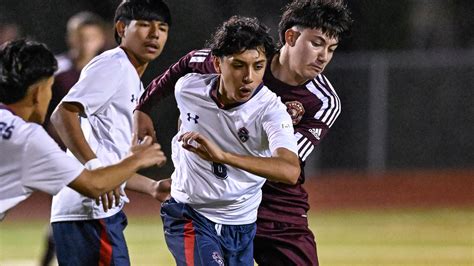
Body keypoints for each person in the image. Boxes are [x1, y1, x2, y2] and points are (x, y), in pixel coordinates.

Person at [134, 0, 352, 265]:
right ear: (291, 36)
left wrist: (208, 162)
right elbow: (186, 64)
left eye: (331, 49)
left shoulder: (323, 102)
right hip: (214, 202)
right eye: (317, 43)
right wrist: (143, 108)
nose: (324, 57)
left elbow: (285, 167)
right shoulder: (246, 57)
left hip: (276, 207)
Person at [159, 16, 300, 266]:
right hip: (190, 215)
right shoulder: (188, 90)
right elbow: (186, 121)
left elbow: (289, 170)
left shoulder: (271, 110)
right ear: (217, 63)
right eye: (238, 65)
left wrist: (223, 156)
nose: (249, 77)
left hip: (241, 223)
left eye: (258, 66)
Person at [49, 0, 172, 265]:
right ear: (120, 28)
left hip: (91, 212)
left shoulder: (131, 79)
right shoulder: (113, 65)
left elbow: (109, 156)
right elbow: (62, 114)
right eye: (143, 25)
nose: (154, 34)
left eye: (162, 27)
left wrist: (151, 186)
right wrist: (95, 171)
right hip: (89, 212)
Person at [0, 39, 166, 221]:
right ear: (38, 93)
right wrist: (137, 159)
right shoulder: (29, 139)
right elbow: (94, 184)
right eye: (50, 87)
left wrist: (150, 186)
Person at [45, 11, 107, 150]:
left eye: (92, 37)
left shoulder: (109, 73)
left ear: (101, 39)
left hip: (95, 150)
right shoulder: (55, 69)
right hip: (57, 148)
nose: (86, 43)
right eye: (80, 37)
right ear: (70, 38)